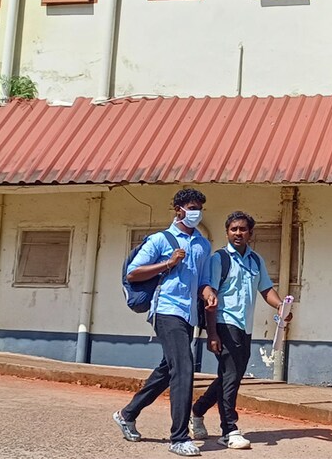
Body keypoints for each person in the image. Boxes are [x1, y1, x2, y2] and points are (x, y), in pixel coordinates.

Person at [113, 188, 217, 457]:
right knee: (183, 367)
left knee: (168, 369)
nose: (196, 213)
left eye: (199, 208)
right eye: (191, 208)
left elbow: (203, 281)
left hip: (189, 314)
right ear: (178, 209)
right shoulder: (160, 240)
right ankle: (179, 437)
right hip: (166, 310)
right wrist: (168, 263)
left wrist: (208, 293)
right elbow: (133, 273)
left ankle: (127, 414)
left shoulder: (203, 245)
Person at [189, 210, 288, 450]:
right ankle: (229, 430)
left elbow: (266, 289)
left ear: (250, 233)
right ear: (227, 232)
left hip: (245, 326)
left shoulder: (256, 260)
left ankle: (198, 410)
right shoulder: (219, 259)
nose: (238, 233)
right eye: (233, 229)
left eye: (243, 229)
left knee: (230, 376)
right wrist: (212, 333)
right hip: (224, 323)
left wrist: (281, 306)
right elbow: (210, 298)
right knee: (231, 377)